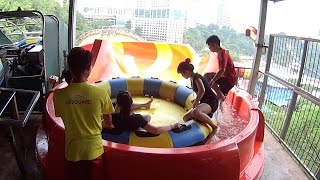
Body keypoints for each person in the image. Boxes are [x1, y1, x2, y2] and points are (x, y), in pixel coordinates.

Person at [53, 47, 114, 180]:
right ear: (88, 66)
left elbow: (64, 117)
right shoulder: (100, 94)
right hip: (94, 151)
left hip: (72, 152)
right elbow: (108, 122)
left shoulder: (58, 95)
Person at [110, 90, 181, 134]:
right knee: (148, 116)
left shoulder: (111, 117)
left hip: (122, 122)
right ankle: (145, 105)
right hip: (132, 125)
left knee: (146, 116)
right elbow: (156, 130)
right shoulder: (137, 119)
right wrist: (172, 126)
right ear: (131, 102)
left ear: (118, 105)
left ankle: (145, 105)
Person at [177, 58, 219, 131]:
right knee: (185, 118)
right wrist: (196, 101)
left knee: (195, 112)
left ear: (186, 71)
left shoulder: (196, 77)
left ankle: (215, 127)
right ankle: (199, 123)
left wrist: (196, 101)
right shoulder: (192, 78)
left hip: (212, 101)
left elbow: (202, 90)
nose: (182, 76)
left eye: (182, 74)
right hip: (205, 102)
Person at [204, 35, 237, 101]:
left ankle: (220, 95)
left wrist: (212, 81)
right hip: (228, 78)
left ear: (214, 44)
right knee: (220, 101)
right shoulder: (220, 53)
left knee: (206, 76)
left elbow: (222, 69)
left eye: (209, 46)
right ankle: (220, 96)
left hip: (229, 79)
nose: (209, 48)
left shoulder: (223, 53)